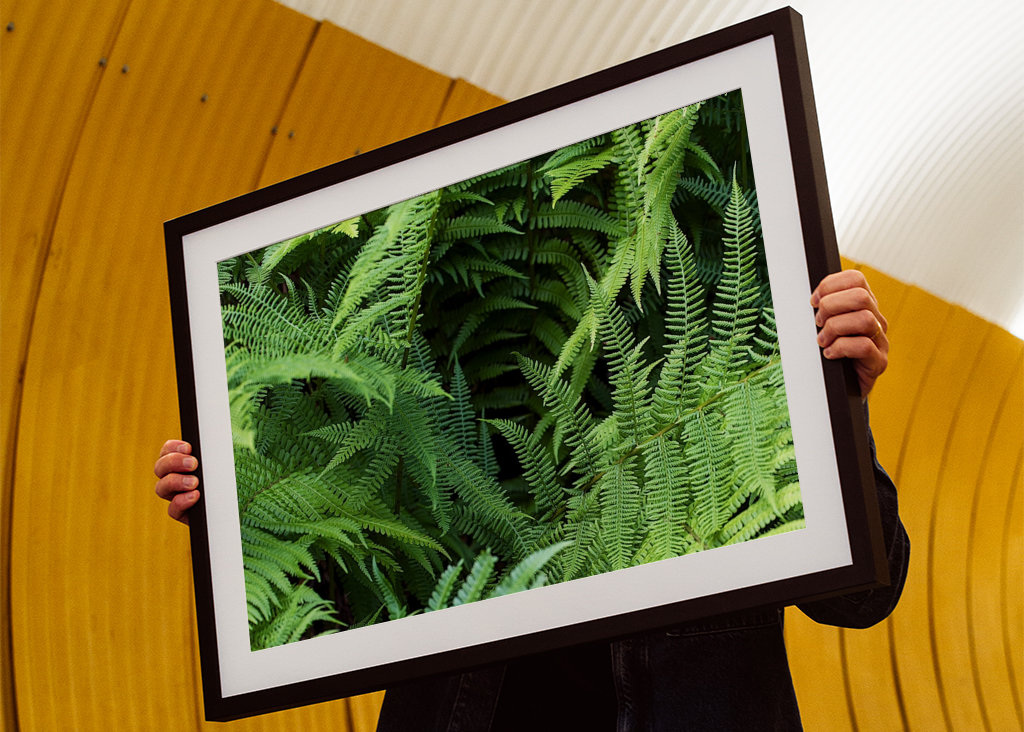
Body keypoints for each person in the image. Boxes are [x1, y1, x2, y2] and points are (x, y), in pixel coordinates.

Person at [154, 269, 908, 731]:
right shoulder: (436, 426)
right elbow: (362, 589)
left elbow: (865, 595)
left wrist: (836, 405)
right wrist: (240, 512)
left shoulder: (729, 386)